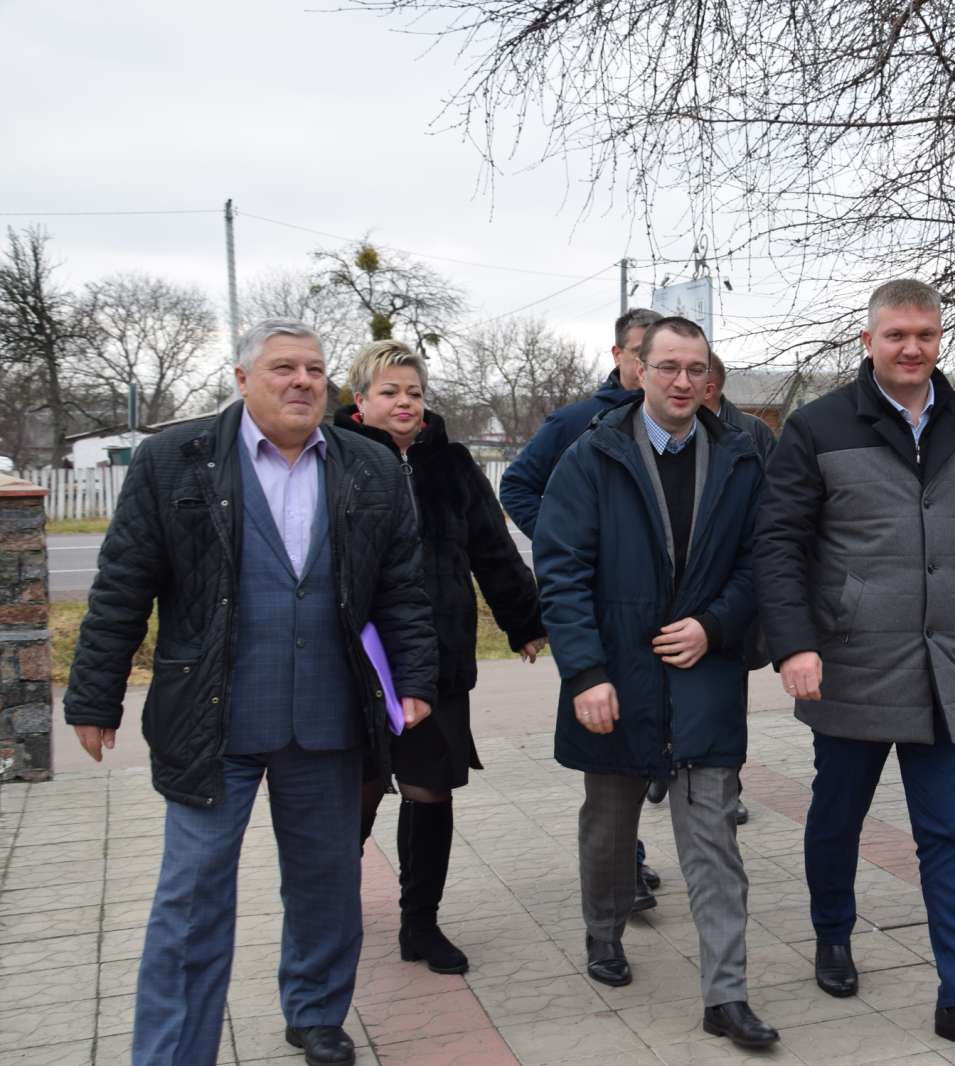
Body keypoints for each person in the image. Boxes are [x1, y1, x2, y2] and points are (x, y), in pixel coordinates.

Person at [64, 319, 437, 1066]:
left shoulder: (368, 465)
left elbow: (402, 585)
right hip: (212, 717)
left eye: (314, 369)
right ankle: (173, 1051)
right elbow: (123, 583)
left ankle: (316, 1011)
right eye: (283, 368)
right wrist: (95, 696)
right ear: (241, 379)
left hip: (328, 714)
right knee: (192, 898)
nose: (302, 381)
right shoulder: (175, 459)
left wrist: (415, 678)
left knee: (326, 883)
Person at [754, 280, 955, 1059]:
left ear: (940, 339)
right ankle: (833, 933)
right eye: (897, 334)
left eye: (925, 335)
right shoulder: (818, 425)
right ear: (868, 341)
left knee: (948, 836)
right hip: (851, 662)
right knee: (837, 816)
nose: (912, 348)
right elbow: (778, 542)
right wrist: (795, 644)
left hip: (945, 667)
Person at [533, 316, 779, 1049]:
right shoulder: (592, 456)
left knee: (714, 843)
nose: (682, 381)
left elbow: (763, 561)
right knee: (610, 831)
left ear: (710, 378)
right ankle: (604, 931)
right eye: (667, 366)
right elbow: (562, 572)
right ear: (638, 370)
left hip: (704, 678)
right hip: (617, 678)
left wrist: (715, 625)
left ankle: (726, 995)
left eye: (695, 369)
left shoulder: (740, 457)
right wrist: (586, 673)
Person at [335, 339, 547, 975]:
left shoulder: (452, 465)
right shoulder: (333, 460)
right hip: (359, 663)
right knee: (356, 793)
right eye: (390, 392)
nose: (405, 402)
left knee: (430, 792)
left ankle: (420, 925)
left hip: (440, 659)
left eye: (415, 392)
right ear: (360, 400)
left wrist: (524, 621)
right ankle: (326, 912)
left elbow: (492, 548)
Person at [501, 306, 665, 909]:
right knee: (614, 759)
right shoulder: (576, 422)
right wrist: (563, 540)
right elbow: (516, 484)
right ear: (620, 355)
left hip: (670, 619)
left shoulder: (685, 423)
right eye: (643, 352)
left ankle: (629, 856)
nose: (654, 364)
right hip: (602, 620)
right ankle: (625, 868)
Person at [703, 349, 777, 825]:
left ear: (710, 387)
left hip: (735, 588)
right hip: (679, 589)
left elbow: (776, 504)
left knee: (730, 695)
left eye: (694, 374)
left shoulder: (752, 434)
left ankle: (729, 788)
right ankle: (661, 764)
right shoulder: (659, 430)